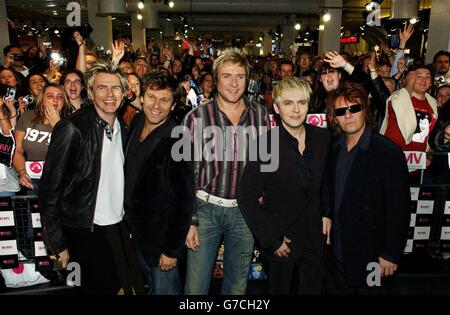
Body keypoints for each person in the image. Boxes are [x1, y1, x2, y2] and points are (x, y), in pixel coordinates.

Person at [39, 60, 144, 295]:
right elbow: (49, 189)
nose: (109, 94)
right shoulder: (71, 128)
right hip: (84, 228)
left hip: (116, 225)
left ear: (125, 92)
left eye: (115, 88)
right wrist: (56, 242)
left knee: (132, 288)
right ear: (90, 92)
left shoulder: (122, 128)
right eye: (101, 88)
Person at [183, 48, 270, 295]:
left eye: (240, 76)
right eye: (226, 76)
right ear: (215, 79)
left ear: (248, 79)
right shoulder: (195, 118)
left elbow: (267, 164)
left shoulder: (262, 115)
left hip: (245, 213)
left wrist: (263, 196)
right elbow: (184, 175)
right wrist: (189, 220)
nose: (233, 83)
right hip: (204, 212)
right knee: (196, 288)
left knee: (236, 287)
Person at [237, 77, 331, 294]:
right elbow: (247, 196)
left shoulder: (322, 138)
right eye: (288, 103)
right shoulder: (266, 143)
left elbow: (326, 180)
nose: (296, 110)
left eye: (302, 102)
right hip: (283, 240)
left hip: (315, 236)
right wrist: (271, 239)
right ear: (277, 107)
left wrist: (327, 213)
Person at [326, 81, 411, 294]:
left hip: (372, 255)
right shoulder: (333, 149)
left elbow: (399, 208)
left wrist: (390, 254)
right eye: (341, 111)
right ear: (334, 116)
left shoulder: (387, 152)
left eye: (354, 108)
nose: (348, 115)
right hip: (337, 250)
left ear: (365, 109)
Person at [124, 71, 194, 295]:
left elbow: (184, 200)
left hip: (160, 241)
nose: (157, 105)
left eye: (165, 100)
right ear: (141, 98)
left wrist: (172, 250)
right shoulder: (136, 123)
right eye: (152, 97)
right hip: (134, 234)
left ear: (173, 105)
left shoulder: (179, 139)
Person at [13, 83, 70, 194]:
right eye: (50, 96)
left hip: (59, 179)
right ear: (42, 99)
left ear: (64, 101)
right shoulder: (28, 116)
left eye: (60, 97)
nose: (55, 100)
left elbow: (69, 154)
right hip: (31, 176)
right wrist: (22, 172)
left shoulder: (71, 122)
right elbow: (17, 150)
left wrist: (57, 125)